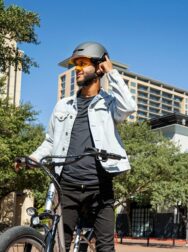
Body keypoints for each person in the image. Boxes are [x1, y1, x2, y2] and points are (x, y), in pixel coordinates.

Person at [15, 41, 137, 252]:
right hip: (67, 186)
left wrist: (111, 72)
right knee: (59, 244)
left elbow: (129, 107)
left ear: (99, 67)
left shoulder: (108, 104)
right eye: (76, 64)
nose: (77, 68)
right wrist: (33, 158)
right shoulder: (63, 105)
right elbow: (51, 141)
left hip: (100, 186)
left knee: (105, 247)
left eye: (83, 63)